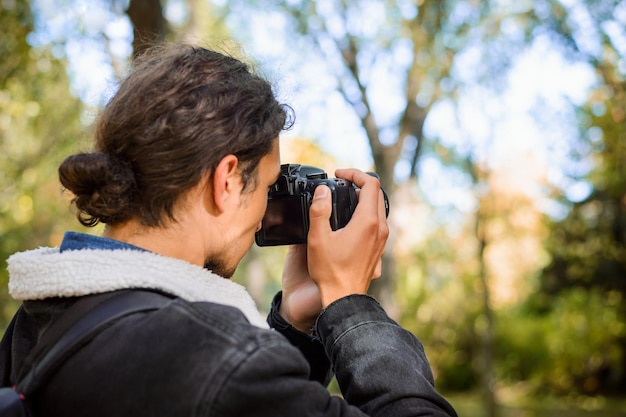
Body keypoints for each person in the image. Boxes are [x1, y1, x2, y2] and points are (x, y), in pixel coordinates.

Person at [1, 44, 458, 416]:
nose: (264, 212)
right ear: (225, 181)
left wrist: (297, 326)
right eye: (265, 186)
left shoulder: (37, 322)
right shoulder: (214, 360)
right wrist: (349, 303)